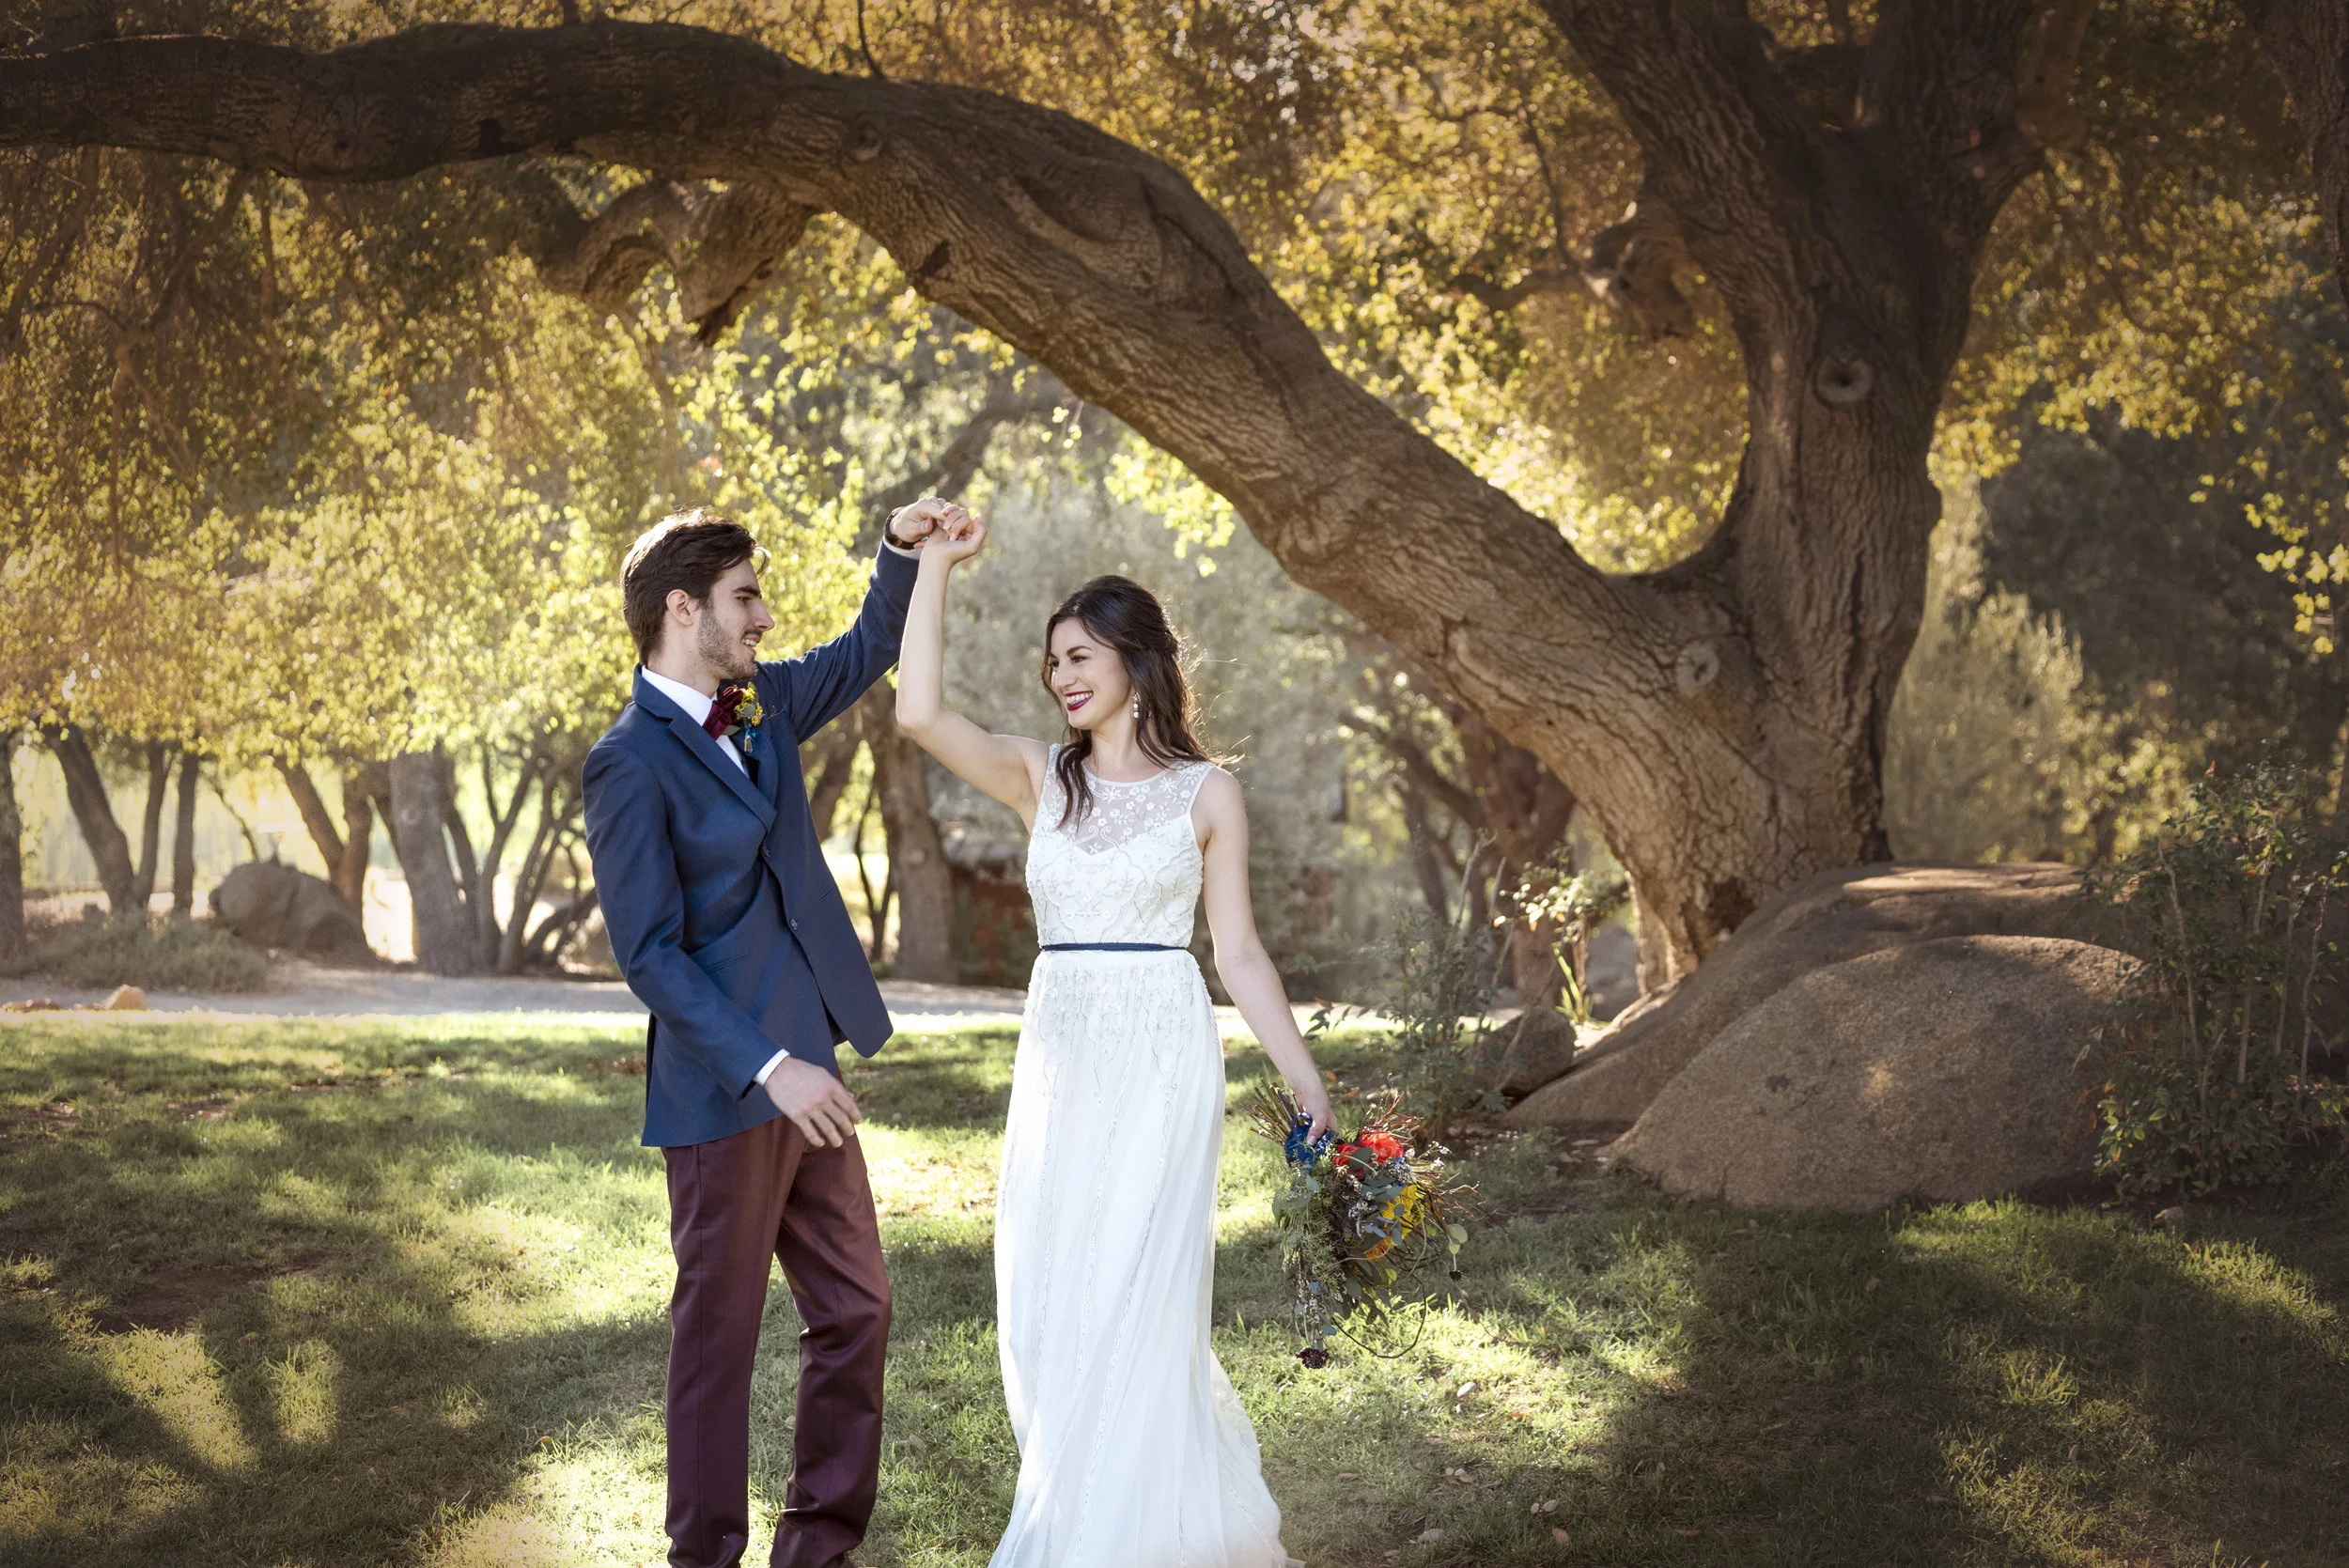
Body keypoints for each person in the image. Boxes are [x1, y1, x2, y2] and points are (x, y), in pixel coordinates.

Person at [894, 509, 1330, 1568]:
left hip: (1163, 1058)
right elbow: (916, 713)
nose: (1061, 678)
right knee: (1053, 1296)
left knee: (1137, 1291)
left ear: (1137, 661)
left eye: (1079, 657)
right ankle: (1083, 1505)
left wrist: (1308, 1087)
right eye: (1052, 664)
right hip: (1061, 1060)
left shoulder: (1206, 792)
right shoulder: (1043, 777)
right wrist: (935, 566)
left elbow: (1241, 956)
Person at [582, 498, 963, 1568]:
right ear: (680, 609)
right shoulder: (626, 762)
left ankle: (817, 1549)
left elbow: (869, 648)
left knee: (858, 1311)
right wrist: (766, 1066)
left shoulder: (759, 705)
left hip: (814, 1074)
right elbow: (649, 953)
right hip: (725, 1093)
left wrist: (901, 549)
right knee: (718, 1346)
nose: (763, 615)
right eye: (744, 596)